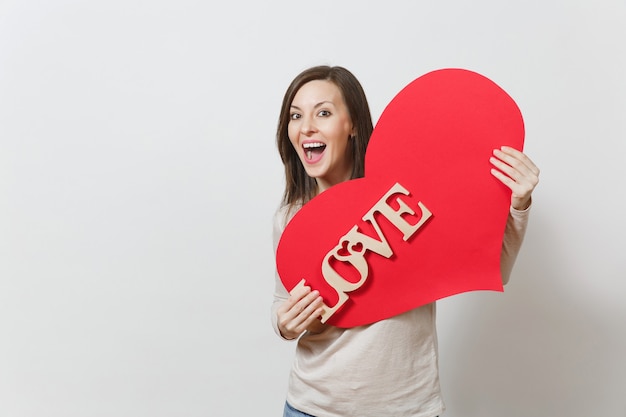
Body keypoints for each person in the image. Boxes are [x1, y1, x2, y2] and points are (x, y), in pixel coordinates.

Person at [270, 65, 540, 417]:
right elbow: (284, 307)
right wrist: (285, 325)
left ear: (352, 125)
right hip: (312, 406)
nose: (306, 127)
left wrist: (518, 205)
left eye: (323, 112)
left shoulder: (409, 201)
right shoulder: (290, 218)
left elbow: (492, 269)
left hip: (408, 407)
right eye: (295, 115)